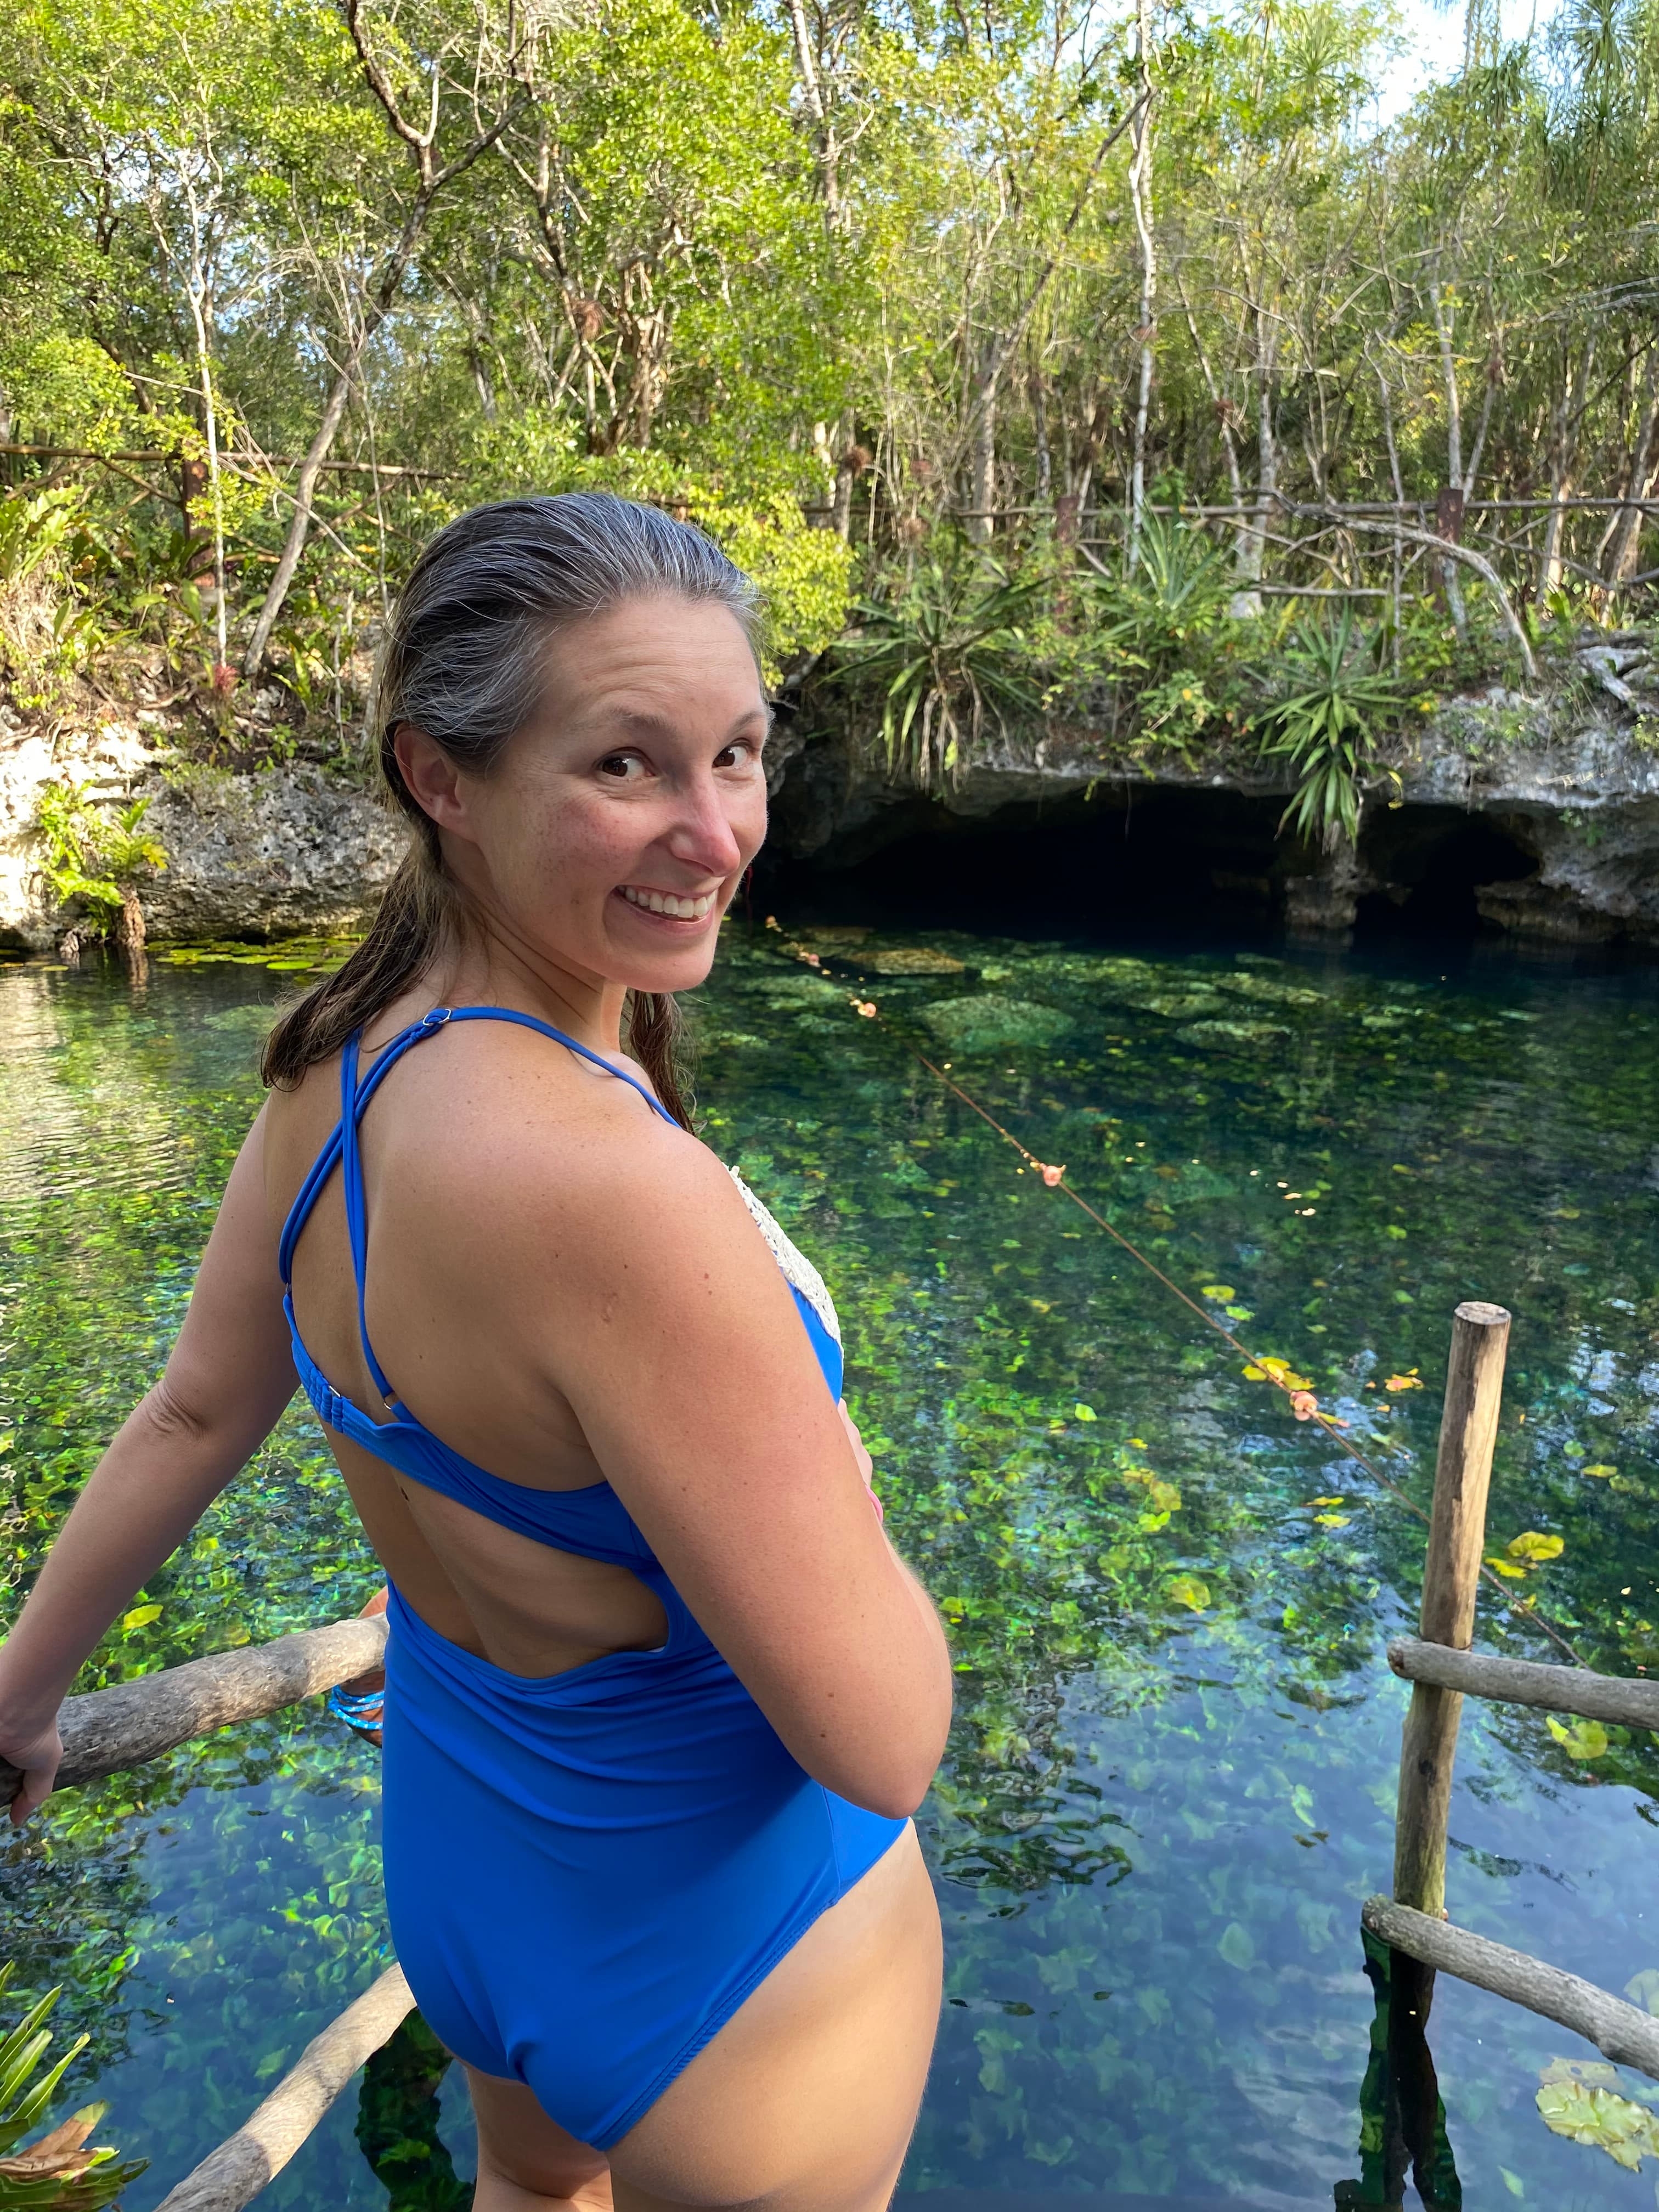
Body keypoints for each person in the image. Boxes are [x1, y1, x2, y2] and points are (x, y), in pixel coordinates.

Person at [0, 494, 953, 2211]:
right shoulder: (623, 1202)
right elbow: (881, 1741)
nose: (718, 833)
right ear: (440, 777)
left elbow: (199, 1407)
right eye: (628, 766)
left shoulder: (332, 1071)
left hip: (470, 1873)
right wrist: (851, 1484)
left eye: (737, 755)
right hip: (726, 1953)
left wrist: (23, 1690)